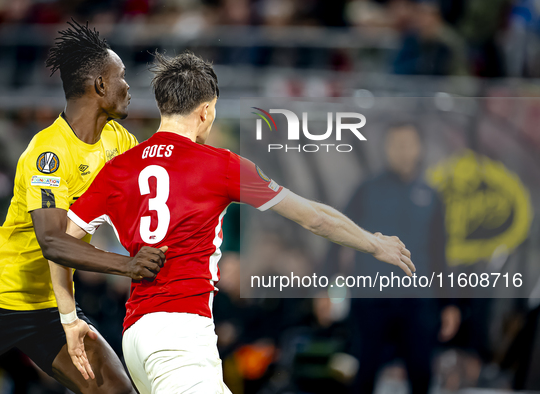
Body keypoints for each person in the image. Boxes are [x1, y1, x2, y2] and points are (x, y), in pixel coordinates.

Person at [51, 51, 415, 394]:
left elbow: (61, 247)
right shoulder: (220, 165)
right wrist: (374, 243)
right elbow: (315, 217)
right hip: (180, 333)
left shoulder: (119, 168)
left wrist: (69, 318)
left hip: (136, 336)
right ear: (206, 111)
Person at [0, 20, 166, 394]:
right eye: (122, 77)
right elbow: (52, 241)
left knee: (116, 391)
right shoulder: (47, 153)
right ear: (100, 86)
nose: (129, 87)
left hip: (52, 304)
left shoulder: (118, 139)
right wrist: (126, 265)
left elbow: (160, 180)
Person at [343, 123, 461, 394]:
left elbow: (439, 253)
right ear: (386, 148)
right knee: (364, 373)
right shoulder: (367, 190)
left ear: (419, 148)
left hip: (418, 301)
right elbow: (337, 237)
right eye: (395, 144)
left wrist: (449, 304)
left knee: (421, 374)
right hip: (371, 299)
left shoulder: (431, 196)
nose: (402, 151)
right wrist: (324, 287)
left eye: (408, 144)